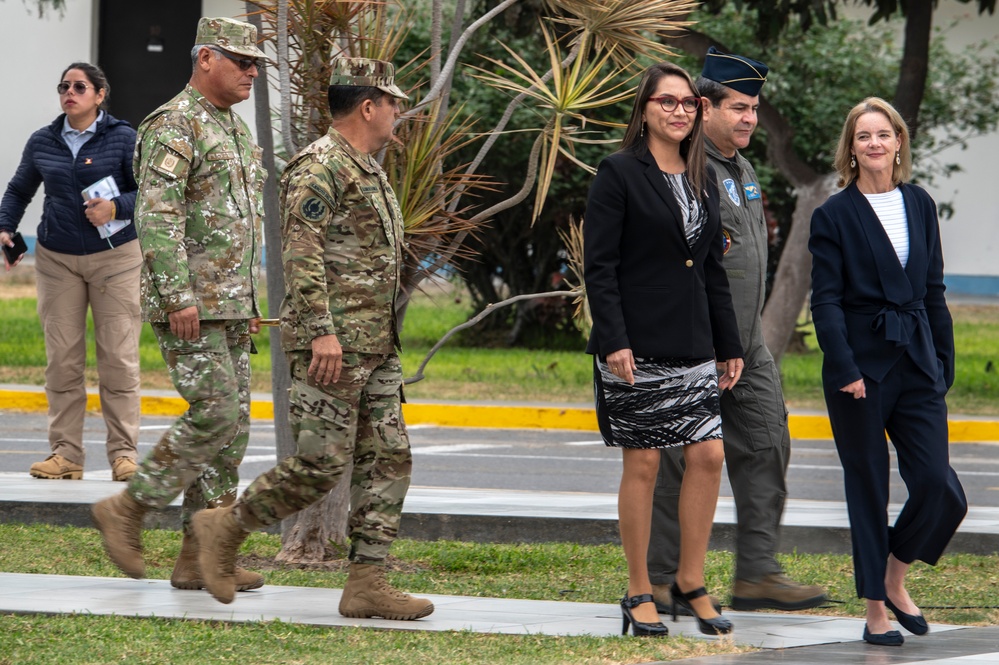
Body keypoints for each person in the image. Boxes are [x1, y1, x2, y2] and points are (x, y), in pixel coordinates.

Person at [187, 57, 433, 621]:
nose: (398, 111)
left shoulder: (367, 167)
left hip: (376, 345)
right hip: (333, 347)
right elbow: (301, 255)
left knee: (389, 459)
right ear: (368, 106)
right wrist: (322, 333)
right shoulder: (320, 166)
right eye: (392, 102)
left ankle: (367, 582)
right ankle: (223, 528)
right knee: (321, 465)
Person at [92, 17, 269, 594]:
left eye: (256, 63)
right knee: (215, 412)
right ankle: (128, 509)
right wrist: (176, 295)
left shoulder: (235, 129)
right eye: (241, 60)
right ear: (205, 59)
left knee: (233, 429)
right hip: (189, 301)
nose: (252, 71)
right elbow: (158, 217)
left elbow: (238, 221)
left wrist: (248, 300)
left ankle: (200, 556)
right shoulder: (174, 124)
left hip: (231, 302)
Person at [648, 49, 827, 613]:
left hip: (747, 343)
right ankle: (661, 579)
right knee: (679, 460)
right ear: (704, 107)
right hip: (694, 341)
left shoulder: (742, 168)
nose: (750, 119)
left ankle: (756, 572)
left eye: (754, 109)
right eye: (739, 108)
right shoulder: (681, 167)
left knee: (769, 442)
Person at [584, 61, 743, 637]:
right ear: (645, 109)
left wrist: (729, 343)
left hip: (695, 340)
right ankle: (637, 590)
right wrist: (614, 339)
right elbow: (598, 267)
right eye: (666, 102)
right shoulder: (618, 172)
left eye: (688, 103)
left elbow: (711, 269)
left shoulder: (703, 174)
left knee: (708, 456)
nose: (678, 111)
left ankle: (691, 582)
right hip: (638, 342)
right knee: (645, 462)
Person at [808, 97, 967, 646]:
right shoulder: (833, 214)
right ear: (850, 149)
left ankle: (894, 575)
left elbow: (933, 290)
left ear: (899, 142)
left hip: (919, 360)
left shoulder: (920, 204)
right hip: (860, 370)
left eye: (883, 134)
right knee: (869, 488)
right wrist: (844, 365)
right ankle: (876, 610)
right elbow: (825, 302)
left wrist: (944, 360)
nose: (874, 144)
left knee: (940, 487)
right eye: (863, 136)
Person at [0, 63, 140, 483]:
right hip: (57, 259)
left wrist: (116, 208)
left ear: (100, 95)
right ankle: (65, 455)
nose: (69, 92)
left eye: (79, 86)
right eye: (64, 86)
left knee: (118, 359)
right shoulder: (43, 140)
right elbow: (19, 189)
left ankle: (124, 456)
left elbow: (148, 189)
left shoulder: (123, 137)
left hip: (116, 259)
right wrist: (6, 226)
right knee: (62, 361)